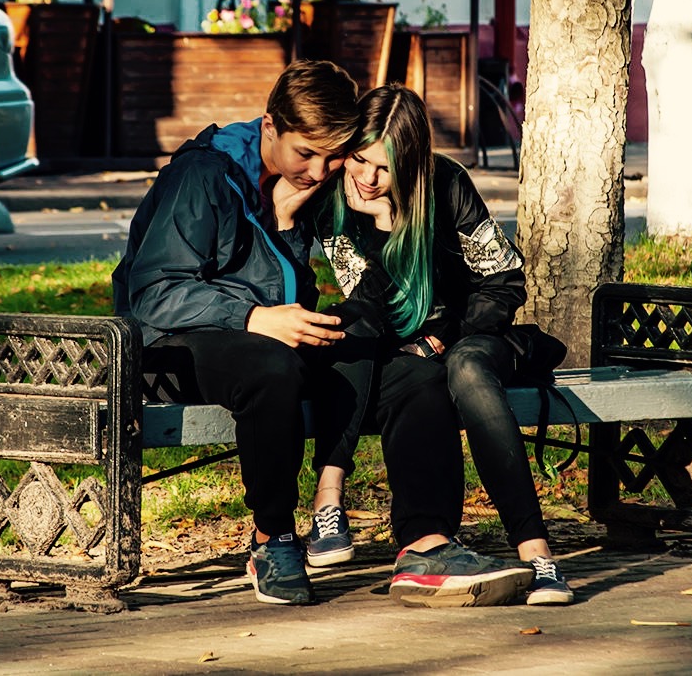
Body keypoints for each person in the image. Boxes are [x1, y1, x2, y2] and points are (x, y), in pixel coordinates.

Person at [113, 60, 527, 608]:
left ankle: (426, 543)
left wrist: (296, 224)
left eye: (333, 154)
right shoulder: (205, 176)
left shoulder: (303, 188)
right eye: (305, 152)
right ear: (269, 127)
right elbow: (151, 294)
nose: (321, 168)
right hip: (174, 348)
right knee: (270, 367)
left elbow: (328, 296)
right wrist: (255, 318)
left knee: (409, 373)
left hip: (267, 341)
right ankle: (273, 539)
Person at [306, 83, 573, 605]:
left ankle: (538, 556)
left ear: (410, 164)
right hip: (400, 354)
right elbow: (368, 306)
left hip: (476, 337)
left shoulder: (447, 183)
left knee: (466, 369)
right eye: (359, 160)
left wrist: (444, 337)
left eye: (384, 169)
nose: (367, 177)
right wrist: (381, 226)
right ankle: (342, 507)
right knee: (373, 343)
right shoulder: (340, 206)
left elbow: (502, 280)